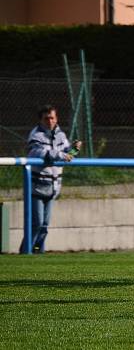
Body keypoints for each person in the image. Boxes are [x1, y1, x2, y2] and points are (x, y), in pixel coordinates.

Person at [20, 105, 81, 254]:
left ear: (56, 118)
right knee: (37, 224)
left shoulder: (61, 135)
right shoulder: (36, 135)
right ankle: (25, 253)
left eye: (52, 117)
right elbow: (36, 152)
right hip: (37, 186)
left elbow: (67, 154)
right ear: (40, 120)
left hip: (53, 187)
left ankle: (36, 251)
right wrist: (59, 155)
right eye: (46, 118)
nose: (50, 121)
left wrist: (75, 149)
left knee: (45, 225)